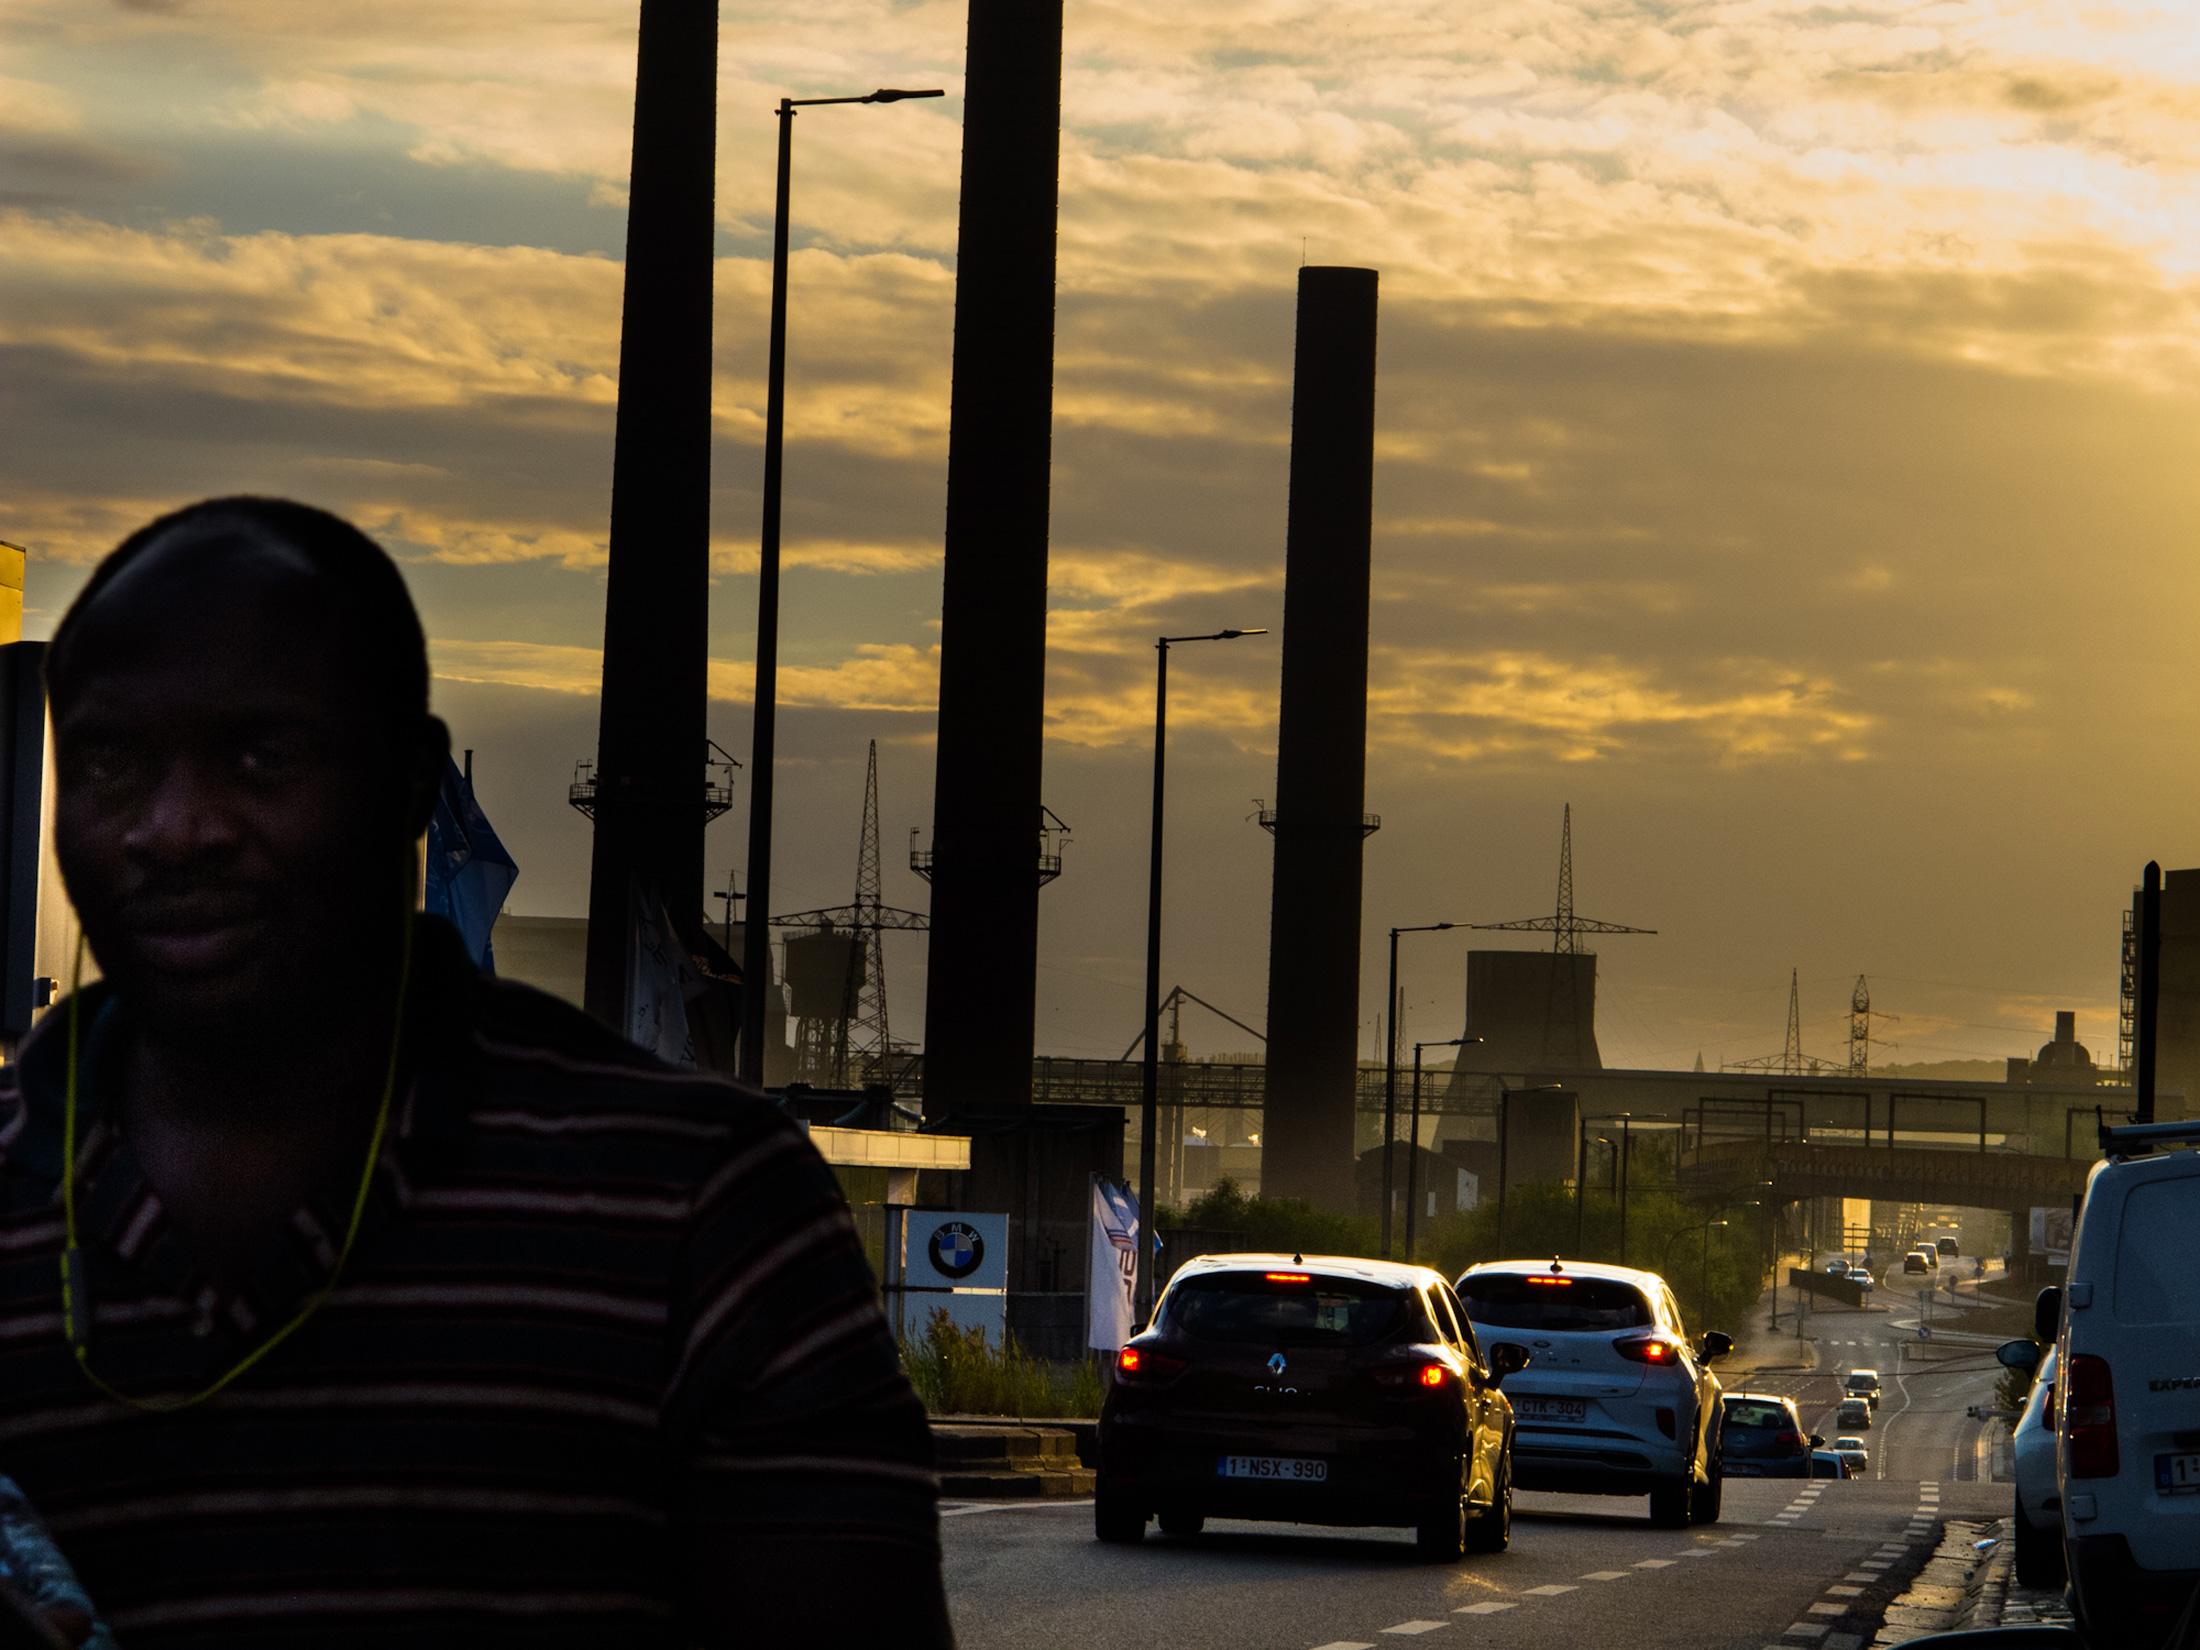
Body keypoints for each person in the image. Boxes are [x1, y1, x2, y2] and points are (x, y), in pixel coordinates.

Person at [0, 498, 951, 1647]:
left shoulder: (699, 1208)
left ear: (413, 784)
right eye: (110, 763)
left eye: (262, 758)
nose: (177, 826)